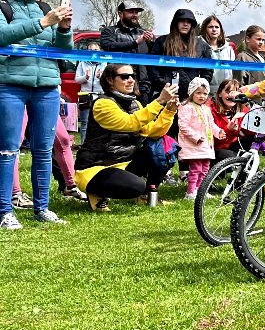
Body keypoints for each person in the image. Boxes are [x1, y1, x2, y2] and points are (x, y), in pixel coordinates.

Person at [0, 0, 74, 229]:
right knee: (8, 150)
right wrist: (43, 22)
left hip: (46, 87)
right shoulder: (3, 6)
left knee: (44, 150)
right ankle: (5, 211)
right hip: (10, 86)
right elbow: (1, 35)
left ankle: (42, 208)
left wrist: (64, 28)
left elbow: (63, 51)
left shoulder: (45, 8)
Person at [74, 64, 179, 211]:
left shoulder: (135, 103)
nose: (131, 80)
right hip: (96, 167)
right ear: (110, 80)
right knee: (136, 186)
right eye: (124, 77)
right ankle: (97, 192)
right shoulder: (102, 104)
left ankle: (147, 196)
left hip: (124, 163)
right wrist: (159, 101)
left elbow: (153, 132)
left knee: (164, 148)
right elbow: (130, 123)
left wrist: (168, 111)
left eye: (133, 76)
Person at [147, 9, 213, 110]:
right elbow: (152, 66)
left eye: (188, 21)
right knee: (165, 123)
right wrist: (162, 84)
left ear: (192, 24)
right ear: (176, 22)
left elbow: (208, 70)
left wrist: (200, 88)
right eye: (182, 21)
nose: (185, 24)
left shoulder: (201, 45)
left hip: (191, 97)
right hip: (166, 94)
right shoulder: (162, 42)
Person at [177, 77, 226, 199]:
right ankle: (190, 192)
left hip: (205, 145)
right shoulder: (187, 107)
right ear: (191, 93)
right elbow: (183, 125)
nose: (202, 96)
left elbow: (211, 125)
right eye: (198, 93)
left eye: (205, 93)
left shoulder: (206, 109)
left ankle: (200, 190)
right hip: (194, 145)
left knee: (205, 169)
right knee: (196, 169)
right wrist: (196, 137)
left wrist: (218, 132)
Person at [100, 1, 156, 102]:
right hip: (119, 84)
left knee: (144, 116)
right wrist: (135, 42)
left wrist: (151, 42)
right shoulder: (110, 31)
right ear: (120, 14)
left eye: (136, 12)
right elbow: (108, 46)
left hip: (143, 85)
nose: (134, 15)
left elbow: (156, 55)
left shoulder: (143, 32)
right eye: (131, 12)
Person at [209, 78, 247, 162]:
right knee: (230, 156)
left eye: (235, 92)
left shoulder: (243, 109)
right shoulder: (210, 109)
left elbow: (250, 134)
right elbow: (210, 140)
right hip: (213, 149)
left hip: (232, 146)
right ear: (219, 94)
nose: (231, 96)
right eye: (227, 92)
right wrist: (228, 129)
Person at [74, 41, 105, 144]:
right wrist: (85, 77)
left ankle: (98, 145)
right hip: (85, 95)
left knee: (99, 122)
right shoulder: (82, 63)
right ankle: (84, 145)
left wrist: (100, 77)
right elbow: (77, 80)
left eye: (95, 50)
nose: (93, 52)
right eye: (90, 50)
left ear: (100, 51)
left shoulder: (104, 63)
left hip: (100, 95)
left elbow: (108, 81)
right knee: (84, 123)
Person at [200, 15, 236, 93]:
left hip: (223, 93)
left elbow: (232, 72)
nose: (214, 29)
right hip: (203, 92)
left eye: (217, 27)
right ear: (204, 29)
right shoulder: (197, 46)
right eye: (210, 27)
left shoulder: (229, 49)